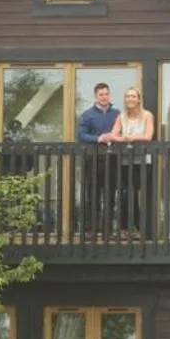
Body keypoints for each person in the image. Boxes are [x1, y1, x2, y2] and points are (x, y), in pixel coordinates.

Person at [102, 87, 155, 236]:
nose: (130, 99)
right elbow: (113, 134)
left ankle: (139, 229)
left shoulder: (146, 115)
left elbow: (148, 136)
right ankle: (127, 228)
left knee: (136, 195)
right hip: (125, 162)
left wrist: (133, 138)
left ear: (138, 99)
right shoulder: (121, 116)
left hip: (142, 162)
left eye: (133, 96)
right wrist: (123, 139)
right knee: (126, 194)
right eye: (127, 96)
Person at [74, 83, 119, 238]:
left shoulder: (117, 114)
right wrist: (98, 138)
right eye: (101, 94)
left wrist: (113, 137)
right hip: (92, 160)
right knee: (92, 194)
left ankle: (108, 231)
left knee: (110, 195)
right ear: (95, 96)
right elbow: (81, 136)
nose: (104, 97)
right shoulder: (87, 115)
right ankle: (92, 229)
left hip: (112, 159)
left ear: (109, 95)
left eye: (106, 94)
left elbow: (122, 132)